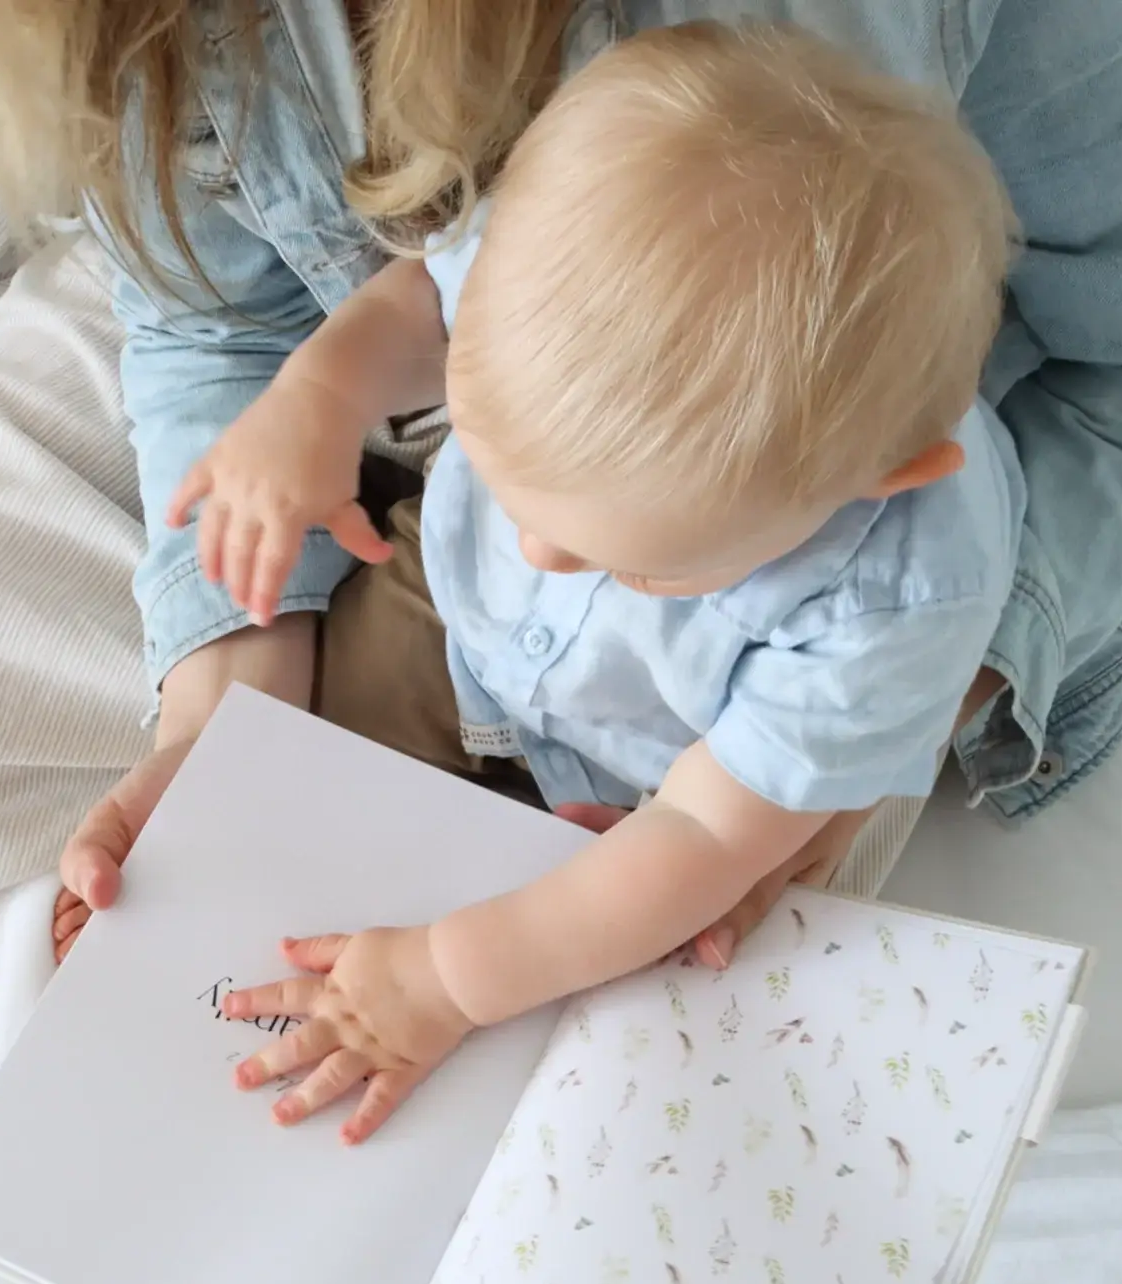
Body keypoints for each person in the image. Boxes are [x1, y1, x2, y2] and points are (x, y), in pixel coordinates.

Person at [0, 0, 1122, 971]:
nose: (543, 550)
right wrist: (229, 685)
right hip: (406, 418)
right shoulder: (464, 301)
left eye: (593, 546)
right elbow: (261, 304)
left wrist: (445, 981)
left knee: (675, 966)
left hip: (765, 506)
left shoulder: (887, 555)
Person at [173, 23, 1020, 1142]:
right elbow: (423, 302)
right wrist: (318, 395)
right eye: (513, 484)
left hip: (698, 762)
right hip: (458, 616)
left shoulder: (897, 599)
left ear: (878, 482)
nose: (541, 558)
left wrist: (447, 977)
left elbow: (704, 841)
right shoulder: (547, 247)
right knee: (289, 804)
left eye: (639, 561)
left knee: (700, 986)